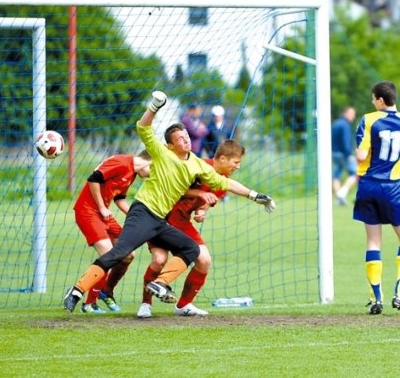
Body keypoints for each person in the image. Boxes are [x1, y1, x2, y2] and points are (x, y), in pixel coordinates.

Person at [63, 91, 275, 312]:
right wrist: (154, 107)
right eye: (180, 138)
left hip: (160, 221)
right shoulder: (162, 153)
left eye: (186, 136)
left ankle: (160, 284)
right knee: (119, 253)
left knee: (191, 249)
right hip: (143, 212)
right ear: (170, 146)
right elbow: (143, 127)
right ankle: (77, 290)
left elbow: (226, 183)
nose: (185, 139)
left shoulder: (198, 165)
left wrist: (254, 195)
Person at [137, 139, 245, 318]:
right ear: (223, 158)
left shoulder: (223, 182)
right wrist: (201, 193)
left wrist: (202, 211)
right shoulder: (196, 166)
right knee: (159, 260)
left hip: (182, 222)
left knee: (204, 261)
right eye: (236, 162)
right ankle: (146, 304)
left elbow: (204, 205)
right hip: (162, 216)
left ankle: (184, 305)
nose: (238, 167)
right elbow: (173, 187)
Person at [353, 81, 400, 315]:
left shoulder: (368, 120)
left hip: (367, 185)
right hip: (392, 187)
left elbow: (361, 154)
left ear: (381, 100)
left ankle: (376, 298)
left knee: (373, 242)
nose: (372, 102)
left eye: (373, 99)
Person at [73, 149, 151, 314]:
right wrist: (101, 207)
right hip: (88, 212)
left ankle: (105, 291)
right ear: (150, 162)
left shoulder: (132, 173)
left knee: (128, 255)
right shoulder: (122, 162)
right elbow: (93, 179)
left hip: (103, 215)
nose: (153, 175)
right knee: (109, 255)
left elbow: (119, 198)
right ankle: (89, 304)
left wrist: (136, 216)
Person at [332, 106, 357, 205]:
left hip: (334, 153)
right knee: (354, 173)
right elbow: (345, 141)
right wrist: (349, 154)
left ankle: (339, 197)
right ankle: (342, 193)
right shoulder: (345, 125)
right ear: (345, 113)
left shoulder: (336, 124)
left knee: (336, 175)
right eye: (352, 114)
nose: (353, 116)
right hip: (344, 154)